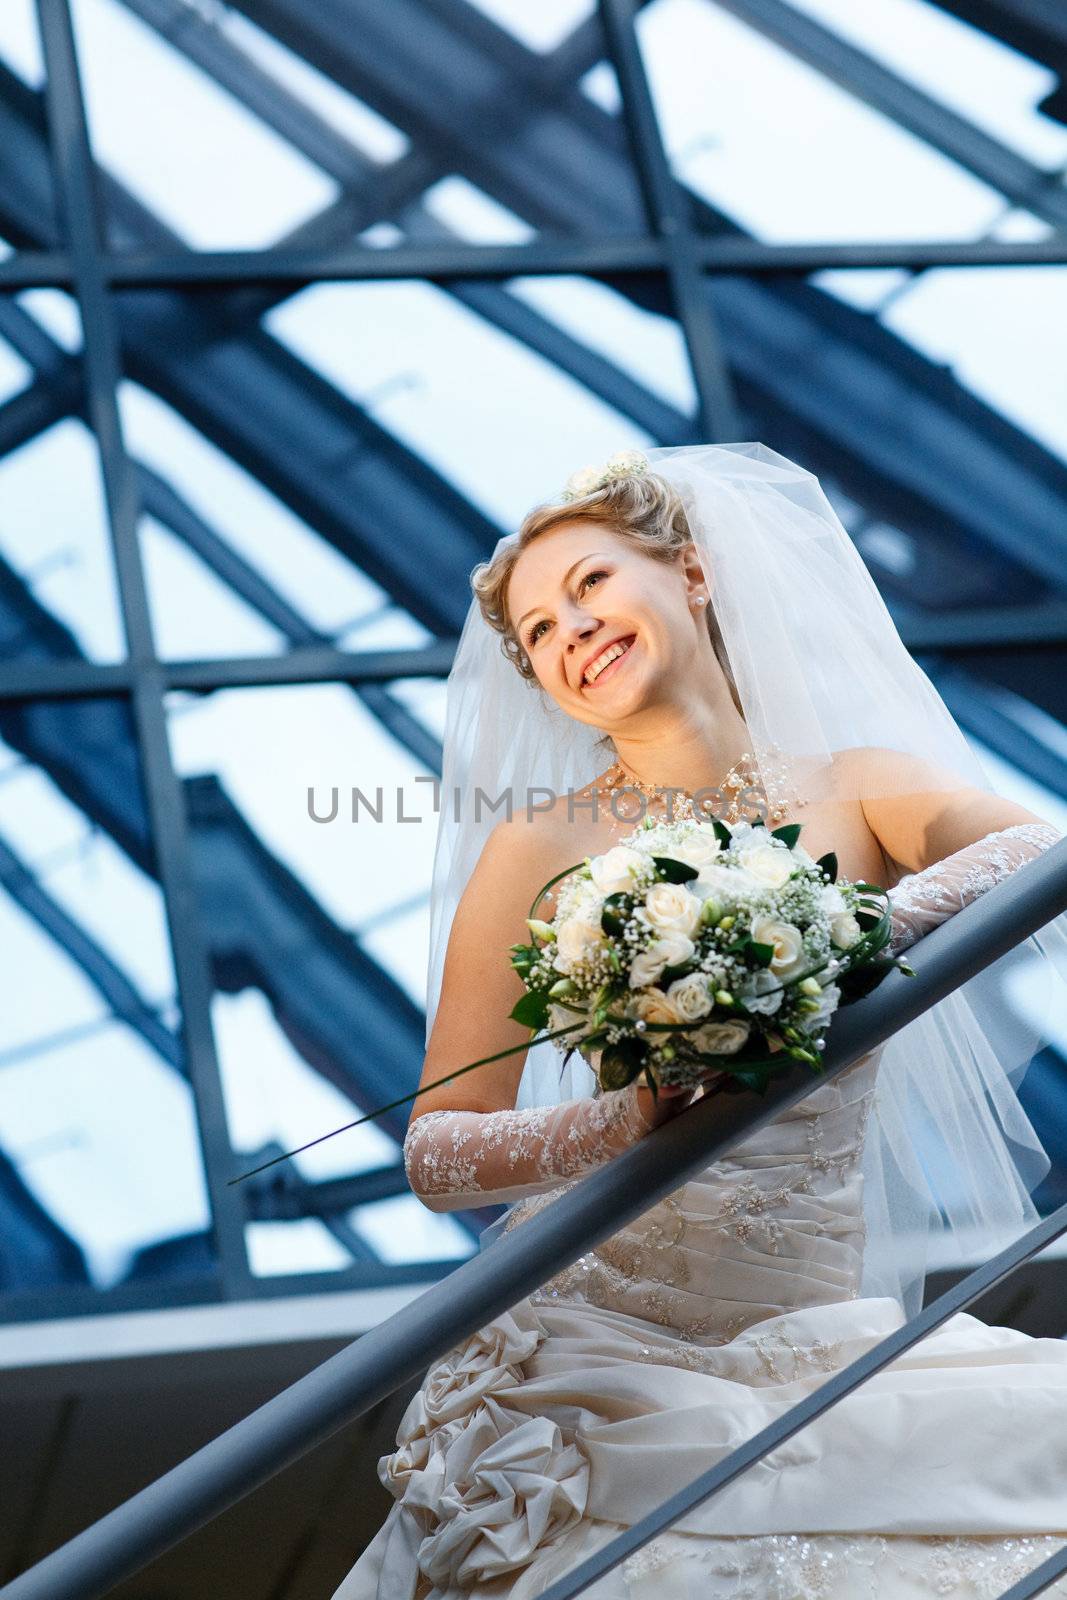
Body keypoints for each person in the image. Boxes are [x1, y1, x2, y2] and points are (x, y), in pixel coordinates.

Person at [333, 444, 1067, 1600]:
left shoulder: (856, 782)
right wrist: (620, 1118)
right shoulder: (536, 844)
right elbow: (436, 1148)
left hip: (806, 1317)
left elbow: (1037, 848)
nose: (567, 629)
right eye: (536, 632)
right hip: (598, 1353)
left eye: (588, 585)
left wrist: (836, 934)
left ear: (689, 575)